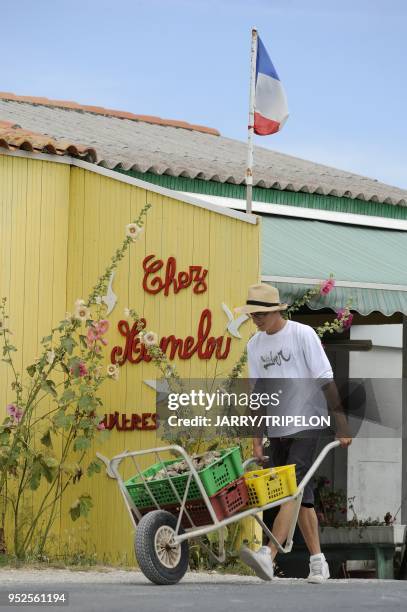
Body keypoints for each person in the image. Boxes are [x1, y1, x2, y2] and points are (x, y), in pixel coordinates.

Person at [235, 283, 352, 583]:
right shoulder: (254, 345)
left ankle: (269, 553)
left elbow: (325, 379)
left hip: (307, 420)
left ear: (276, 311)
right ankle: (318, 562)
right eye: (252, 315)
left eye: (261, 313)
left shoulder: (302, 334)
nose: (256, 319)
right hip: (277, 426)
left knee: (289, 484)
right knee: (301, 493)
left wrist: (342, 425)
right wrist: (256, 439)